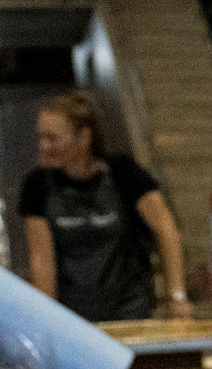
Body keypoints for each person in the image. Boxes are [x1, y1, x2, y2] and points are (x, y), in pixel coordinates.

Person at [19, 90, 188, 321]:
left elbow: (166, 229)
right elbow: (42, 260)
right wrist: (46, 319)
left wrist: (176, 298)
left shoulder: (123, 171)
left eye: (52, 138)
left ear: (84, 137)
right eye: (41, 137)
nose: (44, 146)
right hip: (74, 318)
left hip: (130, 311)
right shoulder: (37, 184)